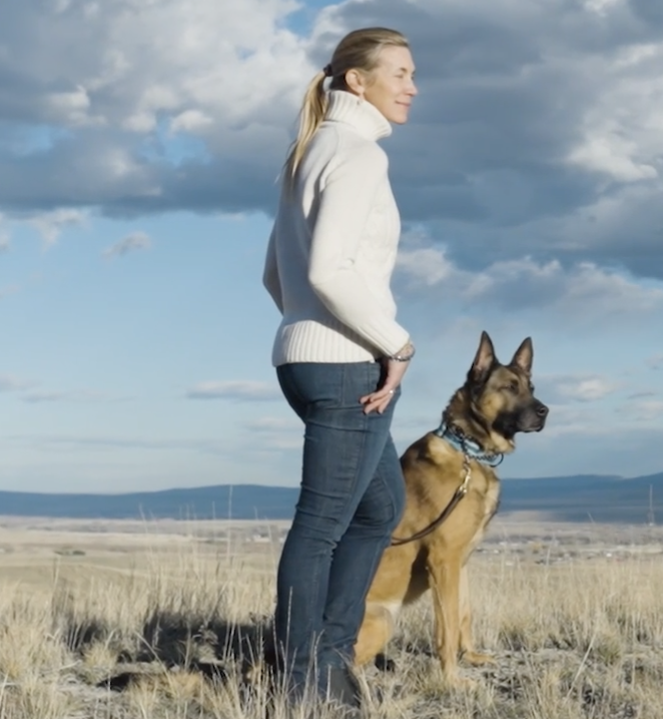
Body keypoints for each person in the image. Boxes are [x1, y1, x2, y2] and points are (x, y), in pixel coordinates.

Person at [261, 26, 418, 712]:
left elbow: (276, 274)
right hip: (344, 362)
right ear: (358, 81)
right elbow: (328, 270)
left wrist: (305, 320)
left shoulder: (307, 152)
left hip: (304, 355)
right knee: (323, 523)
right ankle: (303, 682)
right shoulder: (354, 154)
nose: (412, 87)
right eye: (401, 73)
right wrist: (395, 343)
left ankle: (330, 657)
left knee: (379, 507)